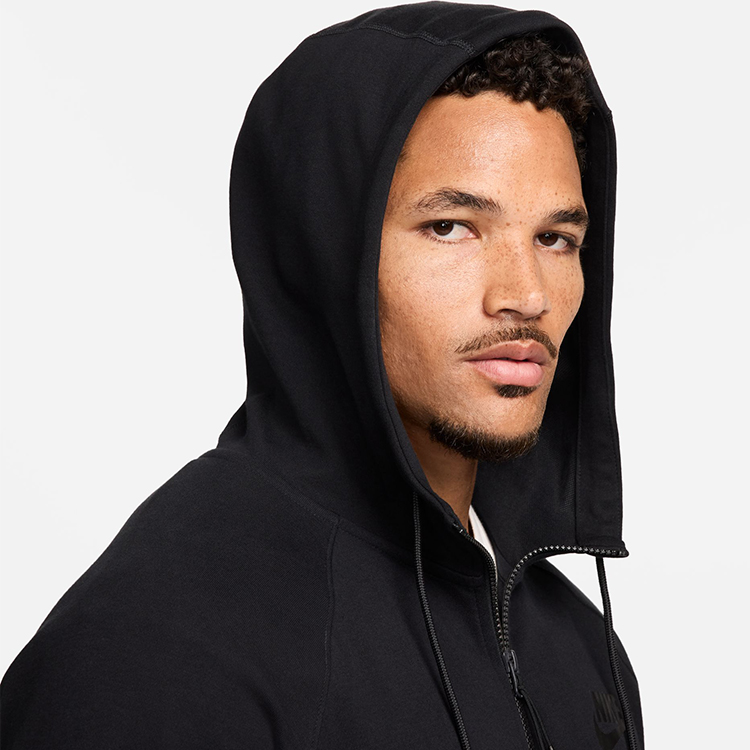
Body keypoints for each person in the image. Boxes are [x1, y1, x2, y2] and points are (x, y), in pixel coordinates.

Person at [1, 2, 644, 748]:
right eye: (451, 227)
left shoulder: (578, 650)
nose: (527, 295)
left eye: (557, 238)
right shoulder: (155, 654)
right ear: (325, 254)